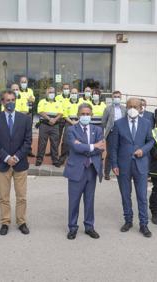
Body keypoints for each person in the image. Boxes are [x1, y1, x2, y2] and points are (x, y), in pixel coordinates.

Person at [0, 90, 32, 236]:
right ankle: (5, 222)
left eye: (13, 99)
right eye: (7, 100)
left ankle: (21, 222)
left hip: (20, 164)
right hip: (2, 163)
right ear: (2, 102)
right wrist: (7, 157)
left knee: (21, 196)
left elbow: (28, 142)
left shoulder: (25, 119)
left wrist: (17, 157)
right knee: (4, 197)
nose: (10, 102)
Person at [110, 98, 154, 238]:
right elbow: (113, 147)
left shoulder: (146, 123)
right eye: (130, 106)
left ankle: (143, 224)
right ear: (126, 107)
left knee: (142, 196)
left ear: (141, 107)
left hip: (141, 165)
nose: (132, 108)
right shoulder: (118, 124)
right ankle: (128, 221)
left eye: (135, 106)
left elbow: (151, 141)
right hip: (123, 165)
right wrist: (114, 164)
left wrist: (143, 150)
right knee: (125, 195)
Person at [64, 103, 104, 240]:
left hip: (91, 169)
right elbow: (75, 148)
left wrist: (84, 146)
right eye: (83, 114)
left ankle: (89, 227)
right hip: (76, 169)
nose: (85, 116)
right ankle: (72, 227)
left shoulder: (98, 130)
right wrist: (93, 146)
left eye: (88, 114)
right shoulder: (71, 130)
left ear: (91, 115)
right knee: (74, 201)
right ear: (78, 114)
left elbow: (101, 148)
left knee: (89, 200)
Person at [101, 90, 126, 180]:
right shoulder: (108, 108)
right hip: (111, 133)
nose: (116, 98)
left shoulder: (124, 109)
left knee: (121, 152)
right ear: (112, 98)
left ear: (121, 98)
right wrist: (109, 129)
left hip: (122, 133)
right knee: (110, 153)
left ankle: (119, 171)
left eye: (118, 97)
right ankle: (107, 173)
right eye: (115, 97)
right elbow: (103, 121)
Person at [36, 87, 63, 167]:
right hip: (44, 125)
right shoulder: (42, 102)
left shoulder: (58, 103)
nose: (51, 94)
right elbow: (41, 112)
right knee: (42, 143)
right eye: (50, 92)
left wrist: (54, 120)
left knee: (55, 143)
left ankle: (55, 160)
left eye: (53, 92)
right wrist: (49, 119)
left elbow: (61, 113)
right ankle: (39, 159)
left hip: (55, 125)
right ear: (46, 93)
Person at [59, 88, 80, 165]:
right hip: (68, 122)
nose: (74, 94)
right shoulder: (66, 102)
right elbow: (65, 114)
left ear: (78, 94)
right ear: (70, 94)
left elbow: (83, 113)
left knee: (78, 141)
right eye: (72, 93)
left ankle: (77, 158)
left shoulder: (81, 102)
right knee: (65, 141)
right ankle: (62, 158)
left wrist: (77, 121)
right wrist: (71, 122)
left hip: (79, 123)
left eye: (75, 93)